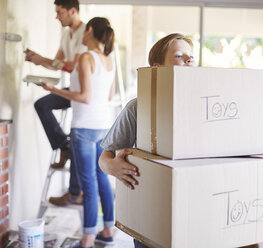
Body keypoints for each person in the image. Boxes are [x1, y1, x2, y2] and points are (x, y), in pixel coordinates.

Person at [98, 33, 195, 248]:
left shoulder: (204, 108)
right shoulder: (139, 107)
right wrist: (112, 166)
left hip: (193, 213)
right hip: (149, 216)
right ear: (158, 68)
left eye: (191, 57)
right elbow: (104, 158)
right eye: (179, 56)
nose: (189, 60)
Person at [40, 17, 116, 248]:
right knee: (101, 178)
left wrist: (53, 90)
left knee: (88, 184)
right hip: (103, 126)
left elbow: (84, 97)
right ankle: (108, 231)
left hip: (83, 127)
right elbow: (108, 97)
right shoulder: (108, 59)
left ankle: (88, 239)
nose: (82, 33)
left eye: (85, 30)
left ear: (90, 30)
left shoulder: (86, 57)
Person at [24, 0, 85, 206]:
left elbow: (71, 65)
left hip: (84, 92)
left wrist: (46, 59)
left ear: (72, 11)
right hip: (71, 89)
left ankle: (74, 191)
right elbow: (58, 65)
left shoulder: (86, 32)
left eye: (60, 12)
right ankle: (63, 146)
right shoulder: (65, 33)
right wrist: (38, 60)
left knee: (78, 135)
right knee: (42, 104)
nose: (57, 17)